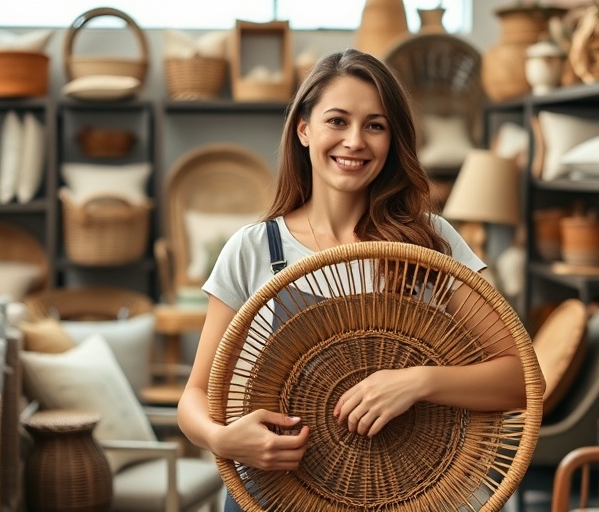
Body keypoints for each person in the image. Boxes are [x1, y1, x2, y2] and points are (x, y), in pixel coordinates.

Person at [176, 47, 534, 511]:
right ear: (304, 130)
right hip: (267, 497)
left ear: (393, 140)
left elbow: (522, 379)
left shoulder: (429, 242)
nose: (355, 141)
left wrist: (417, 382)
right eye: (337, 121)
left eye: (375, 125)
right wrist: (223, 439)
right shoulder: (254, 249)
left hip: (398, 497)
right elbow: (196, 395)